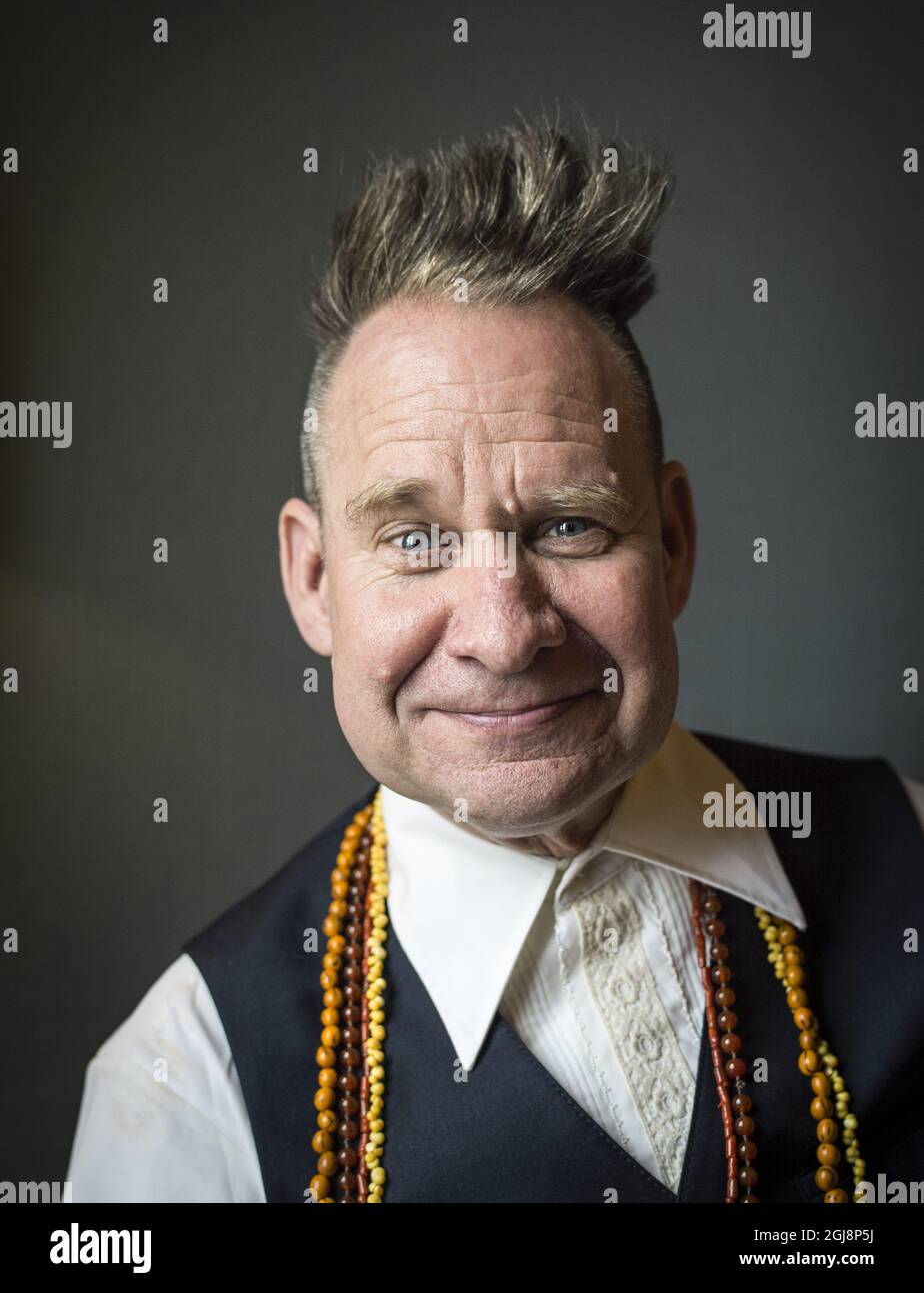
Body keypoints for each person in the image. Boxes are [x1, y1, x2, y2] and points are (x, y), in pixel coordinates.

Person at [66, 115, 924, 1203]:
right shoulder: (189, 1089)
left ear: (674, 542)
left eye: (569, 525)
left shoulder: (909, 853)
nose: (506, 633)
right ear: (314, 580)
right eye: (415, 538)